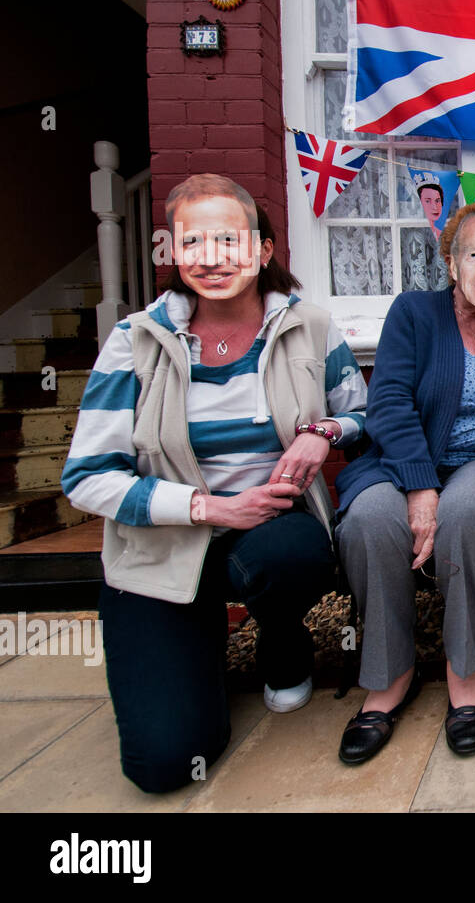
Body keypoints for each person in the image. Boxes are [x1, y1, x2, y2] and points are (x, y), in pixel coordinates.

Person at [61, 175, 367, 793]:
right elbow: (87, 478)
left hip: (269, 532)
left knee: (295, 554)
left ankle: (282, 636)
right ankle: (189, 642)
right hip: (164, 546)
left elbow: (361, 412)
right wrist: (206, 508)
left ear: (261, 250)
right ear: (172, 254)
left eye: (230, 239)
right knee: (164, 765)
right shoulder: (134, 342)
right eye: (193, 241)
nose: (212, 256)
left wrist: (324, 432)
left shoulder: (309, 326)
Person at [333, 202, 475, 764]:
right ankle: (391, 675)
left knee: (471, 512)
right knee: (368, 522)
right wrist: (418, 487)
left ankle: (465, 672)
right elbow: (386, 402)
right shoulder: (414, 313)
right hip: (397, 463)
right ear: (452, 263)